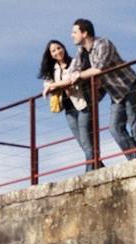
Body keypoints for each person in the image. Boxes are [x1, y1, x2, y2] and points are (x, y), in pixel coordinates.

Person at [67, 17, 136, 160]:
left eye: (74, 32)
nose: (71, 35)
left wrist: (79, 75)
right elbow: (72, 71)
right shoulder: (82, 52)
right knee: (114, 128)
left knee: (135, 123)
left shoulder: (103, 44)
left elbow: (99, 69)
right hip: (116, 94)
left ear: (84, 33)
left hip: (129, 85)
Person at [39, 38, 98, 169]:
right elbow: (47, 84)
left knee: (86, 141)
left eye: (59, 48)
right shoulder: (53, 70)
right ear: (50, 55)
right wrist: (51, 86)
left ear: (64, 48)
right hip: (69, 109)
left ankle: (89, 174)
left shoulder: (74, 62)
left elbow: (70, 80)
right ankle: (99, 168)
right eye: (53, 51)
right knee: (83, 144)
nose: (57, 52)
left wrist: (54, 85)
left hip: (83, 105)